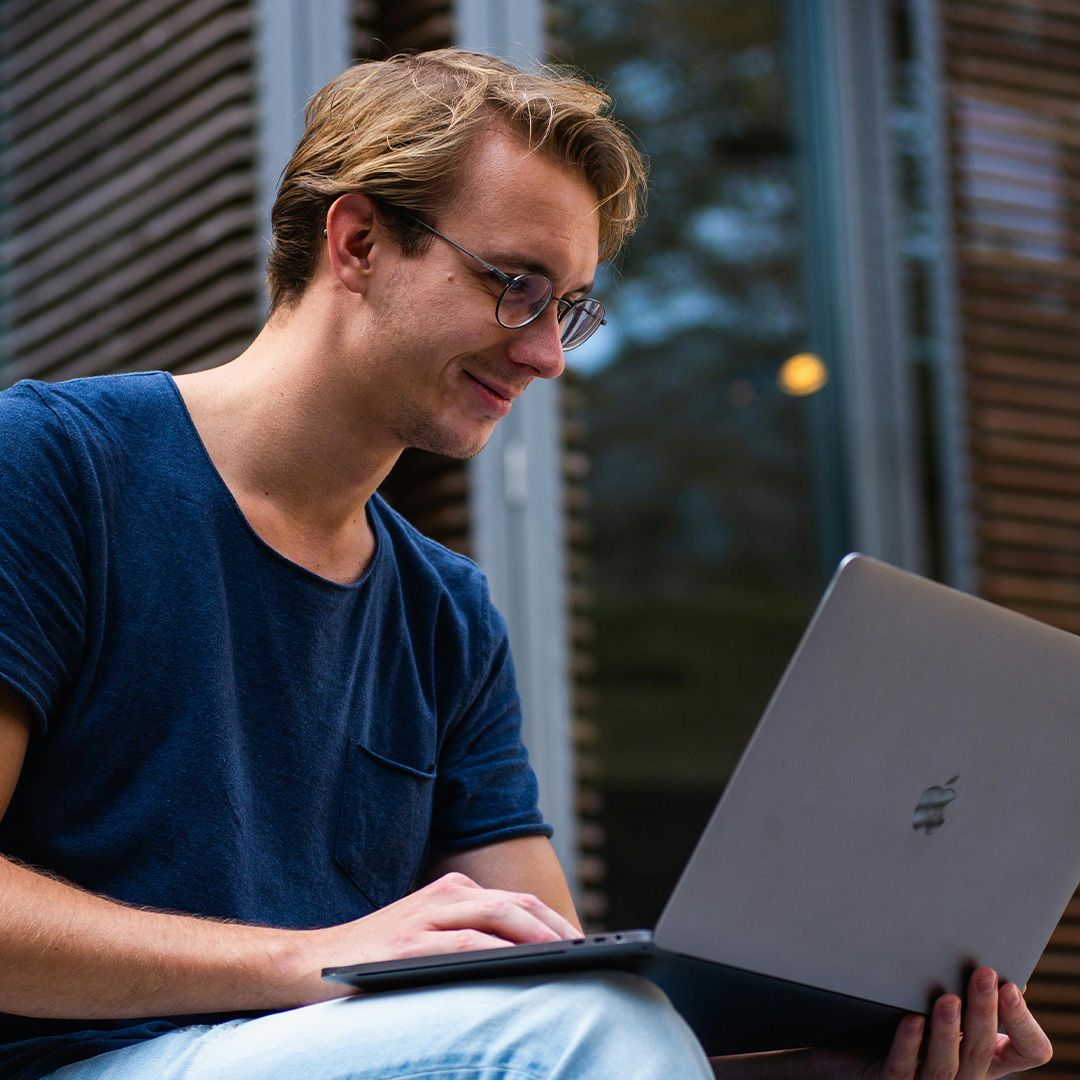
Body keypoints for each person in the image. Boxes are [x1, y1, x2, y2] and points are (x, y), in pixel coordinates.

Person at [0, 48, 1053, 1080]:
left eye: (572, 306)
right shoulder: (55, 468)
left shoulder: (445, 612)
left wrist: (809, 1061)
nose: (548, 352)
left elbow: (553, 978)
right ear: (359, 242)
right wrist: (305, 961)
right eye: (517, 285)